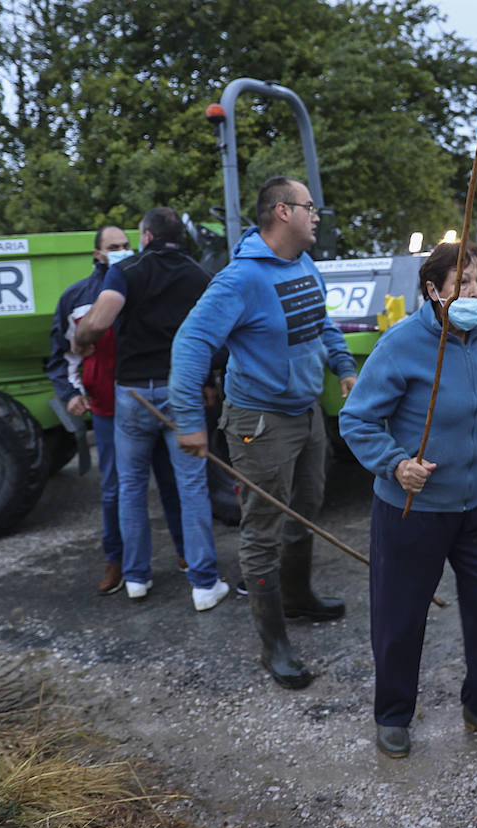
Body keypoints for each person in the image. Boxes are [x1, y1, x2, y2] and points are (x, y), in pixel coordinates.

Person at [339, 241, 477, 758]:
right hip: (414, 509)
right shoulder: (401, 345)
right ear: (434, 291)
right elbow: (357, 420)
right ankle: (392, 714)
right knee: (400, 617)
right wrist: (396, 464)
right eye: (465, 282)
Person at [170, 177, 356, 690]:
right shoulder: (240, 280)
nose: (317, 215)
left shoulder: (302, 263)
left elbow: (321, 322)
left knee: (309, 506)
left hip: (306, 413)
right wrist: (188, 420)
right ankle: (273, 643)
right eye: (309, 207)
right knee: (262, 530)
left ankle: (297, 598)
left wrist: (342, 365)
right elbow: (190, 344)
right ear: (282, 211)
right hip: (260, 423)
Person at [74, 207, 229, 613]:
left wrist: (81, 339)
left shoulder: (127, 270)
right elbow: (213, 335)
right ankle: (203, 584)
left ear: (144, 236)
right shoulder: (198, 275)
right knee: (191, 486)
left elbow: (100, 320)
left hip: (133, 395)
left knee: (131, 487)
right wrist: (210, 382)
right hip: (182, 391)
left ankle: (137, 578)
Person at [47, 225, 188, 595]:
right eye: (113, 246)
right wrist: (70, 394)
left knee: (171, 482)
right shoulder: (76, 298)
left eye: (126, 244)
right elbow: (60, 355)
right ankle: (118, 562)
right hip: (108, 409)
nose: (122, 250)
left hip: (149, 397)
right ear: (97, 254)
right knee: (115, 489)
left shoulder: (139, 281)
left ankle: (185, 553)